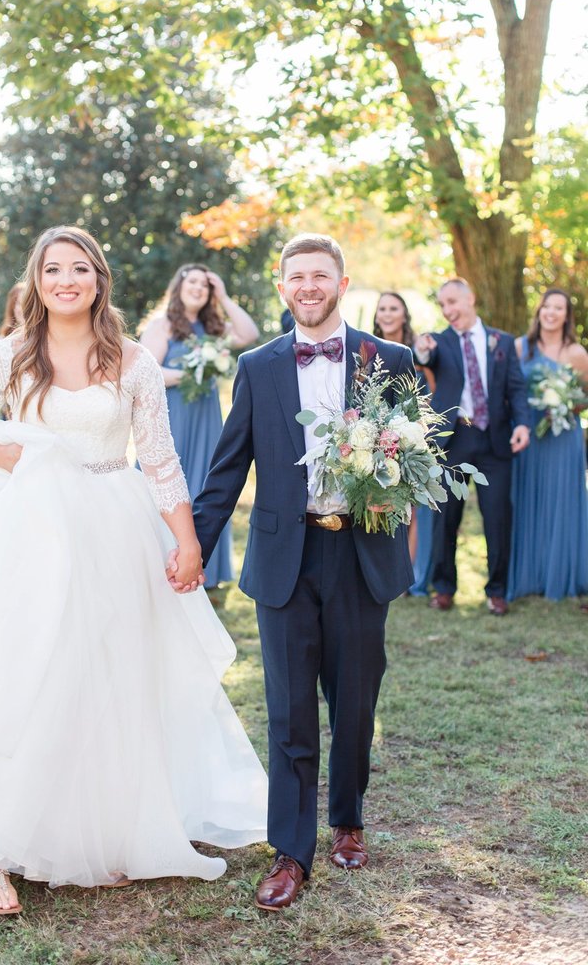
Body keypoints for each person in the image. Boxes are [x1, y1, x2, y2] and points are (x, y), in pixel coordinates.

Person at [0, 226, 267, 916]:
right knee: (21, 677)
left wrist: (187, 543)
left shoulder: (133, 360)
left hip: (115, 527)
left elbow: (160, 461)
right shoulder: (13, 351)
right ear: (38, 280)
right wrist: (29, 464)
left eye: (80, 268)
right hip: (33, 529)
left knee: (106, 679)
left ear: (99, 279)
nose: (67, 280)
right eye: (54, 270)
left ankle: (100, 830)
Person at [193, 234, 415, 911]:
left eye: (321, 275)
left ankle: (347, 820)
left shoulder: (392, 359)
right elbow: (228, 466)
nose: (309, 286)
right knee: (289, 713)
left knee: (354, 703)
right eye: (298, 277)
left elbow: (418, 451)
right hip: (283, 558)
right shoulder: (257, 367)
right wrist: (190, 550)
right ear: (283, 286)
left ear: (343, 284)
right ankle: (291, 852)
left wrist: (393, 493)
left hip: (360, 554)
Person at [415, 278, 531, 616]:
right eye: (442, 305)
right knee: (446, 518)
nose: (448, 310)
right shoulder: (438, 342)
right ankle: (444, 587)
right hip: (454, 439)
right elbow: (423, 356)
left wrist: (522, 422)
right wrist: (422, 350)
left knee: (497, 518)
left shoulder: (502, 342)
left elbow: (516, 389)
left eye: (452, 302)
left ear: (471, 298)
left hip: (496, 441)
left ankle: (497, 590)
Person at [139, 264, 258, 589]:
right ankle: (158, 562)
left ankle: (203, 567)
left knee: (205, 483)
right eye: (192, 282)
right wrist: (191, 373)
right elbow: (147, 373)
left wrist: (224, 296)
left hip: (206, 418)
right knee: (168, 483)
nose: (198, 288)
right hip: (173, 415)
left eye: (205, 286)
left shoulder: (212, 327)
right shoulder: (162, 325)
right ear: (178, 286)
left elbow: (249, 334)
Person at [508, 288, 588, 602]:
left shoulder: (577, 353)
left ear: (567, 316)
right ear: (539, 311)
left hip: (562, 439)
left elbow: (584, 398)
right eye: (547, 307)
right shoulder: (520, 347)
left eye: (559, 308)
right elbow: (511, 392)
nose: (551, 313)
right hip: (529, 436)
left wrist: (564, 404)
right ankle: (529, 575)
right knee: (527, 499)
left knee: (560, 502)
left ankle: (560, 573)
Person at [373, 291, 433, 596]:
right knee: (383, 503)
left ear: (404, 313)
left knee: (412, 507)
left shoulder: (417, 351)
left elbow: (430, 393)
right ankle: (384, 570)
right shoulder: (367, 350)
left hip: (411, 435)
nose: (387, 313)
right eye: (382, 308)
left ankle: (408, 575)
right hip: (375, 439)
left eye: (393, 308)